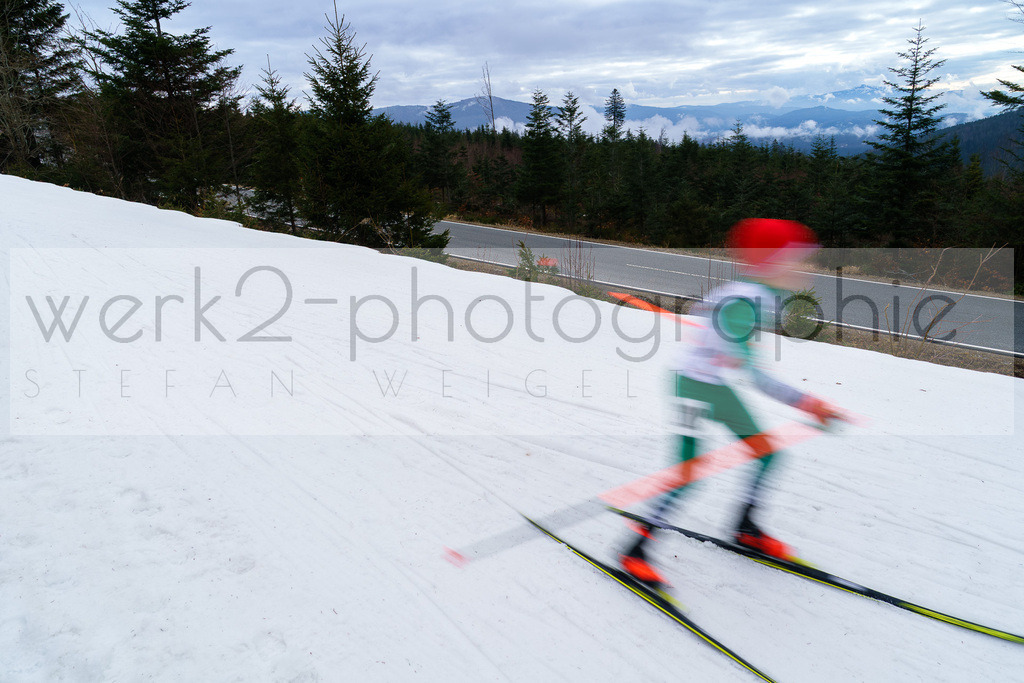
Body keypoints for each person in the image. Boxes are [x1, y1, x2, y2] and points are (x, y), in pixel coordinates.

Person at [619, 218, 847, 587]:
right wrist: (809, 403)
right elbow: (754, 375)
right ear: (769, 261)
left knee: (767, 452)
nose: (804, 267)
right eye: (796, 259)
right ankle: (635, 550)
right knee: (689, 474)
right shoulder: (746, 300)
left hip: (713, 385)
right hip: (692, 387)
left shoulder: (754, 294)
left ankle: (746, 528)